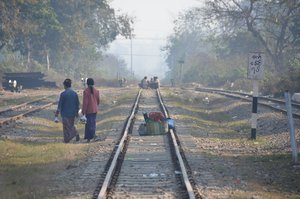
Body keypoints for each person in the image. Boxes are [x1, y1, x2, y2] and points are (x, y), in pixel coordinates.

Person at [54, 79, 80, 143]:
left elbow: (60, 105)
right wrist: (77, 112)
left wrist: (57, 114)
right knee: (71, 125)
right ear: (70, 85)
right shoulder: (74, 93)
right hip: (72, 113)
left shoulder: (63, 94)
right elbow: (77, 104)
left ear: (64, 85)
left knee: (65, 127)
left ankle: (68, 138)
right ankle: (73, 134)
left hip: (65, 113)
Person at [81, 78, 100, 142]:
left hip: (88, 110)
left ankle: (91, 136)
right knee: (93, 123)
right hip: (95, 110)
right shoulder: (96, 91)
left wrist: (83, 111)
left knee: (88, 124)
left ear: (87, 83)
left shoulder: (86, 91)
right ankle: (91, 137)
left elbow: (85, 103)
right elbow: (98, 101)